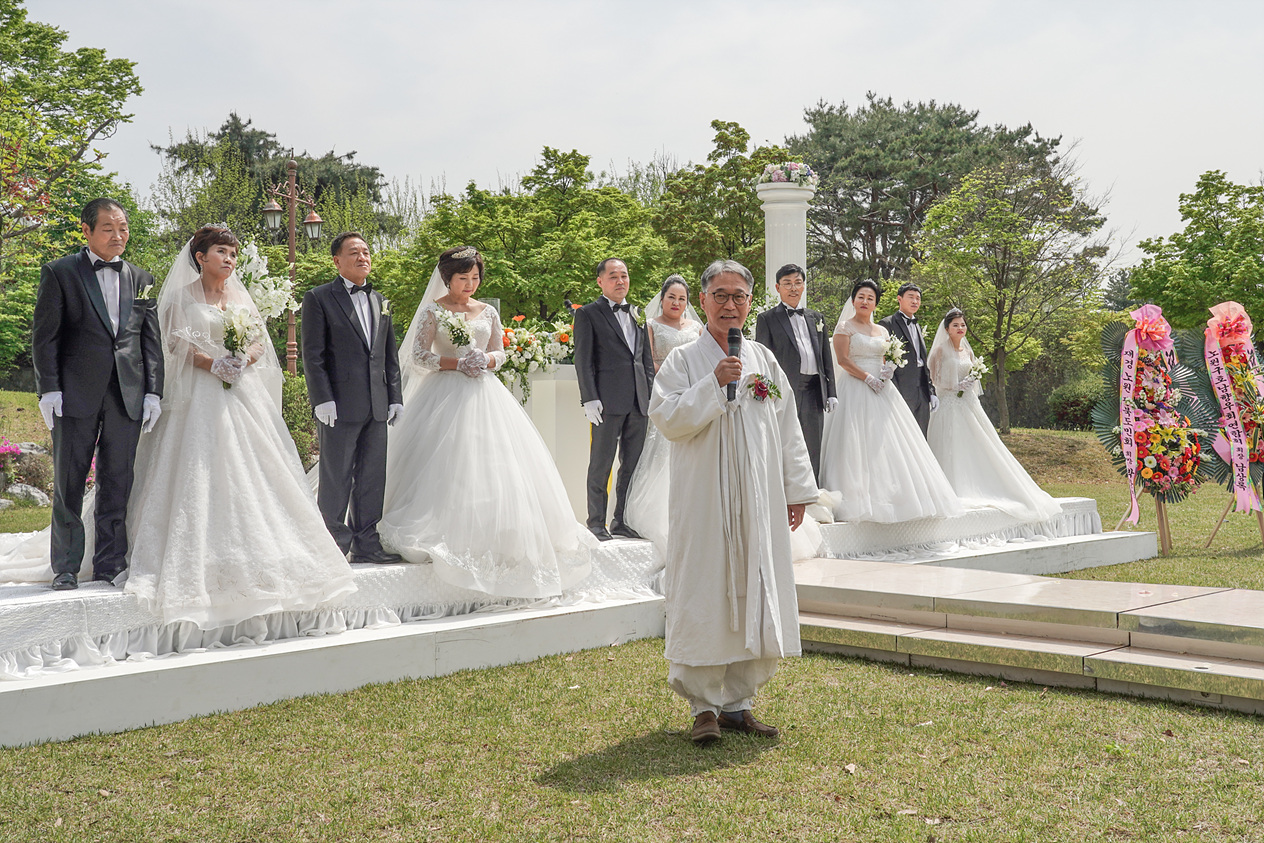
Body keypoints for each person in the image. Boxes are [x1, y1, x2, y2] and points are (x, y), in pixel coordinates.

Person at [3, 226, 358, 629]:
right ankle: (99, 556)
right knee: (189, 470)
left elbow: (258, 340)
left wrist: (244, 359)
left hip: (240, 397)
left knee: (251, 472)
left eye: (233, 253)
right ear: (200, 256)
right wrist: (212, 362)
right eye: (221, 252)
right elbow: (168, 341)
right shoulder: (180, 295)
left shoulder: (240, 297)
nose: (229, 260)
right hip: (195, 397)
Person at [649, 259, 817, 744]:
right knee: (705, 584)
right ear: (702, 301)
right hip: (703, 499)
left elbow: (788, 429)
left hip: (759, 498)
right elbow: (668, 419)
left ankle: (740, 703)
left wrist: (797, 490)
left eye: (738, 296)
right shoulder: (682, 361)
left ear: (749, 303)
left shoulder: (764, 359)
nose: (729, 304)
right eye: (719, 295)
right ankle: (703, 706)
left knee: (754, 582)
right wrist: (713, 382)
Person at [377, 246, 595, 597]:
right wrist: (455, 363)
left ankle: (500, 536)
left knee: (495, 464)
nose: (470, 284)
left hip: (485, 391)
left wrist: (487, 359)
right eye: (463, 278)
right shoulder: (434, 310)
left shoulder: (488, 311)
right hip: (444, 393)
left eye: (475, 277)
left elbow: (501, 351)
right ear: (448, 279)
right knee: (446, 461)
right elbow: (418, 355)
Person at [32, 198, 164, 590]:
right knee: (69, 482)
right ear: (87, 231)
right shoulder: (59, 273)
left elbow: (149, 342)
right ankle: (67, 567)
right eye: (108, 228)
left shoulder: (142, 277)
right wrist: (49, 389)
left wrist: (154, 392)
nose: (118, 235)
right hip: (74, 392)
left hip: (127, 394)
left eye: (122, 228)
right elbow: (45, 337)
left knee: (118, 480)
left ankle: (109, 563)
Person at [819, 280, 963, 523]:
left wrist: (887, 370)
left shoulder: (882, 331)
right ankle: (858, 498)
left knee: (890, 441)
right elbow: (842, 360)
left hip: (883, 389)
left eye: (870, 298)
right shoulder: (844, 327)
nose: (865, 302)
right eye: (861, 297)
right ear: (853, 300)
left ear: (876, 303)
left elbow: (888, 356)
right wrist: (867, 378)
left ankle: (895, 496)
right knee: (856, 442)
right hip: (855, 386)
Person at [302, 233, 405, 564]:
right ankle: (333, 545)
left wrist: (395, 396)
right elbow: (313, 355)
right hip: (339, 404)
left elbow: (389, 355)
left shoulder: (381, 300)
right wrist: (322, 399)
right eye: (354, 252)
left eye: (366, 251)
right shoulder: (318, 298)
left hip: (376, 403)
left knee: (373, 476)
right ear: (337, 260)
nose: (363, 257)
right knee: (336, 476)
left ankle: (366, 542)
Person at [927, 308, 1061, 522]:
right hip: (948, 403)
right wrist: (954, 386)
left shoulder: (967, 352)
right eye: (955, 325)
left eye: (963, 324)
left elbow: (974, 377)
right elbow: (932, 379)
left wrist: (969, 383)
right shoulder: (940, 351)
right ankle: (950, 488)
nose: (960, 328)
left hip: (968, 403)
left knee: (978, 443)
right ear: (947, 329)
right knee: (951, 444)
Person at [573, 258, 655, 541]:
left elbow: (644, 360)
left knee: (632, 465)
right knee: (601, 463)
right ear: (600, 281)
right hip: (606, 402)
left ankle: (622, 520)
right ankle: (596, 523)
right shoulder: (587, 314)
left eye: (624, 276)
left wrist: (651, 394)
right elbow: (582, 360)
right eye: (613, 276)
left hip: (639, 402)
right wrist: (589, 398)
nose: (620, 281)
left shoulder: (638, 313)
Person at [623, 275, 703, 547]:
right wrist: (675, 380)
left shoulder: (696, 328)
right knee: (662, 455)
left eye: (682, 299)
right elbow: (649, 362)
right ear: (662, 298)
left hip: (695, 396)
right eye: (672, 297)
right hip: (666, 394)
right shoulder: (650, 326)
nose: (677, 303)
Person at [755, 263, 837, 482]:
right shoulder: (767, 319)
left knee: (813, 444)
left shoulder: (817, 318)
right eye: (787, 284)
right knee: (786, 443)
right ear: (777, 287)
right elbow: (762, 360)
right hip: (785, 391)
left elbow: (825, 358)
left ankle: (813, 494)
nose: (793, 288)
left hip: (813, 390)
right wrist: (767, 393)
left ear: (803, 286)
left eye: (797, 283)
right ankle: (785, 493)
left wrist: (831, 392)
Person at [878, 282, 937, 436]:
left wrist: (931, 391)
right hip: (901, 387)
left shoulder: (917, 326)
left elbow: (923, 361)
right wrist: (895, 389)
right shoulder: (887, 323)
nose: (915, 301)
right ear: (899, 299)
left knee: (922, 434)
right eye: (911, 297)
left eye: (918, 298)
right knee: (903, 434)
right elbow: (883, 358)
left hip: (922, 389)